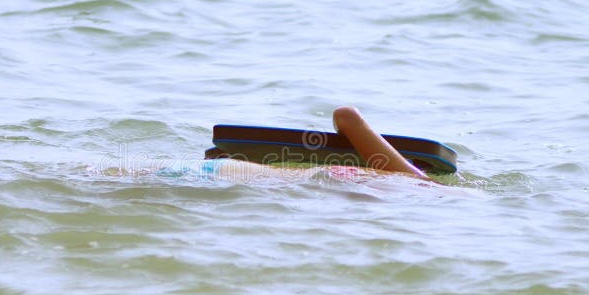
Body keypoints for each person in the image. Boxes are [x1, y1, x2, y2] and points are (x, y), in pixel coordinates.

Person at [151, 106, 431, 183]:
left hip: (225, 174)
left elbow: (346, 117)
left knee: (115, 178)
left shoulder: (408, 177)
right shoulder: (408, 186)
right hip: (230, 181)